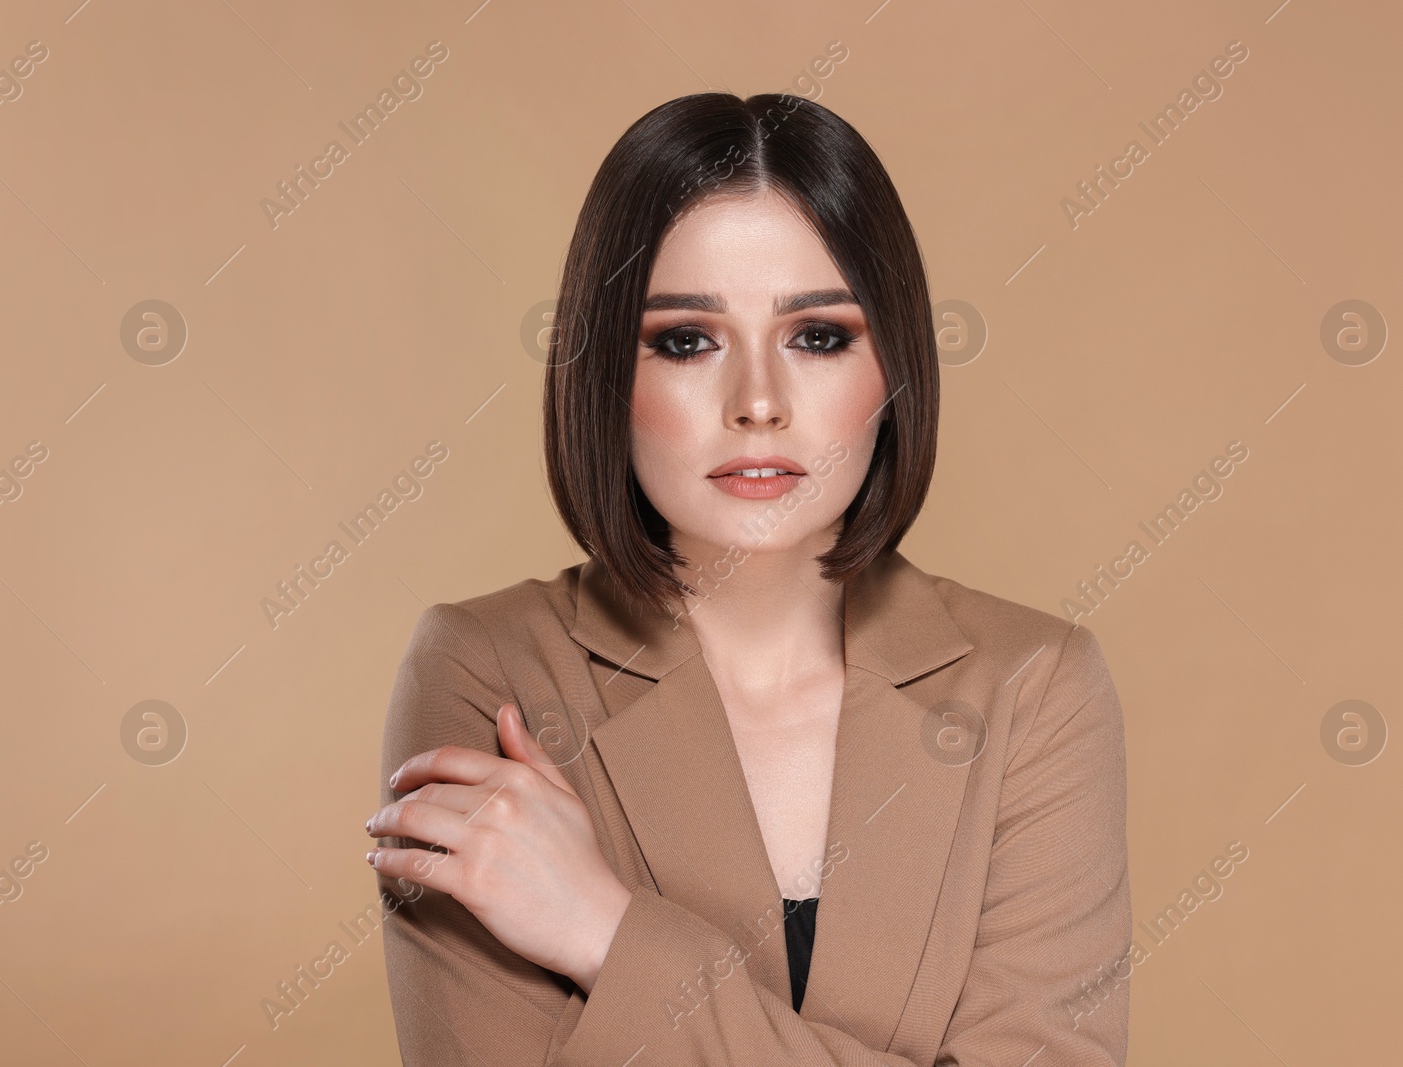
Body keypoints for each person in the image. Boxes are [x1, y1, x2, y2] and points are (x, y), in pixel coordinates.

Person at [365, 90, 1131, 1065]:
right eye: (686, 340)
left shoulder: (1035, 686)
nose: (758, 402)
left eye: (817, 336)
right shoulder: (486, 674)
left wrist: (607, 932)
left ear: (892, 365)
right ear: (606, 368)